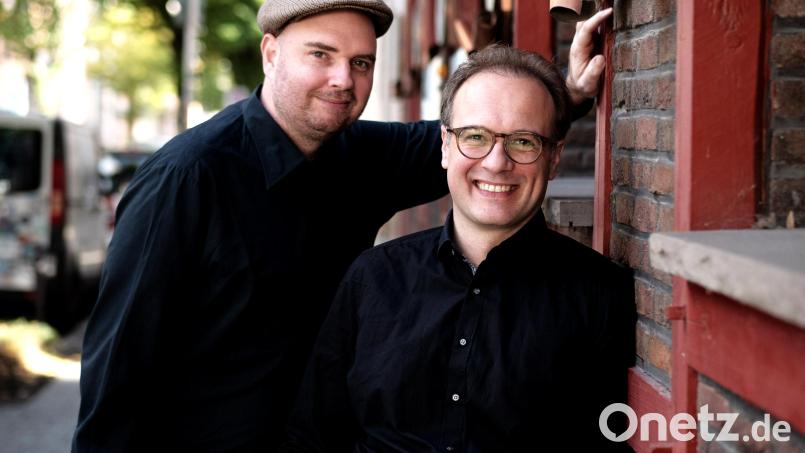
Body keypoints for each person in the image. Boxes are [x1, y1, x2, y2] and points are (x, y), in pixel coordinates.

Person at [72, 0, 613, 450]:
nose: (342, 79)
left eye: (361, 62)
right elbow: (117, 370)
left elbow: (486, 140)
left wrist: (567, 91)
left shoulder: (359, 156)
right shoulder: (187, 178)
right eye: (321, 55)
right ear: (270, 53)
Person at [282, 45, 636, 452]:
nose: (496, 162)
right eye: (475, 137)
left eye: (523, 142)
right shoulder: (373, 278)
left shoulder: (599, 293)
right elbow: (309, 438)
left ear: (554, 158)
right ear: (445, 146)